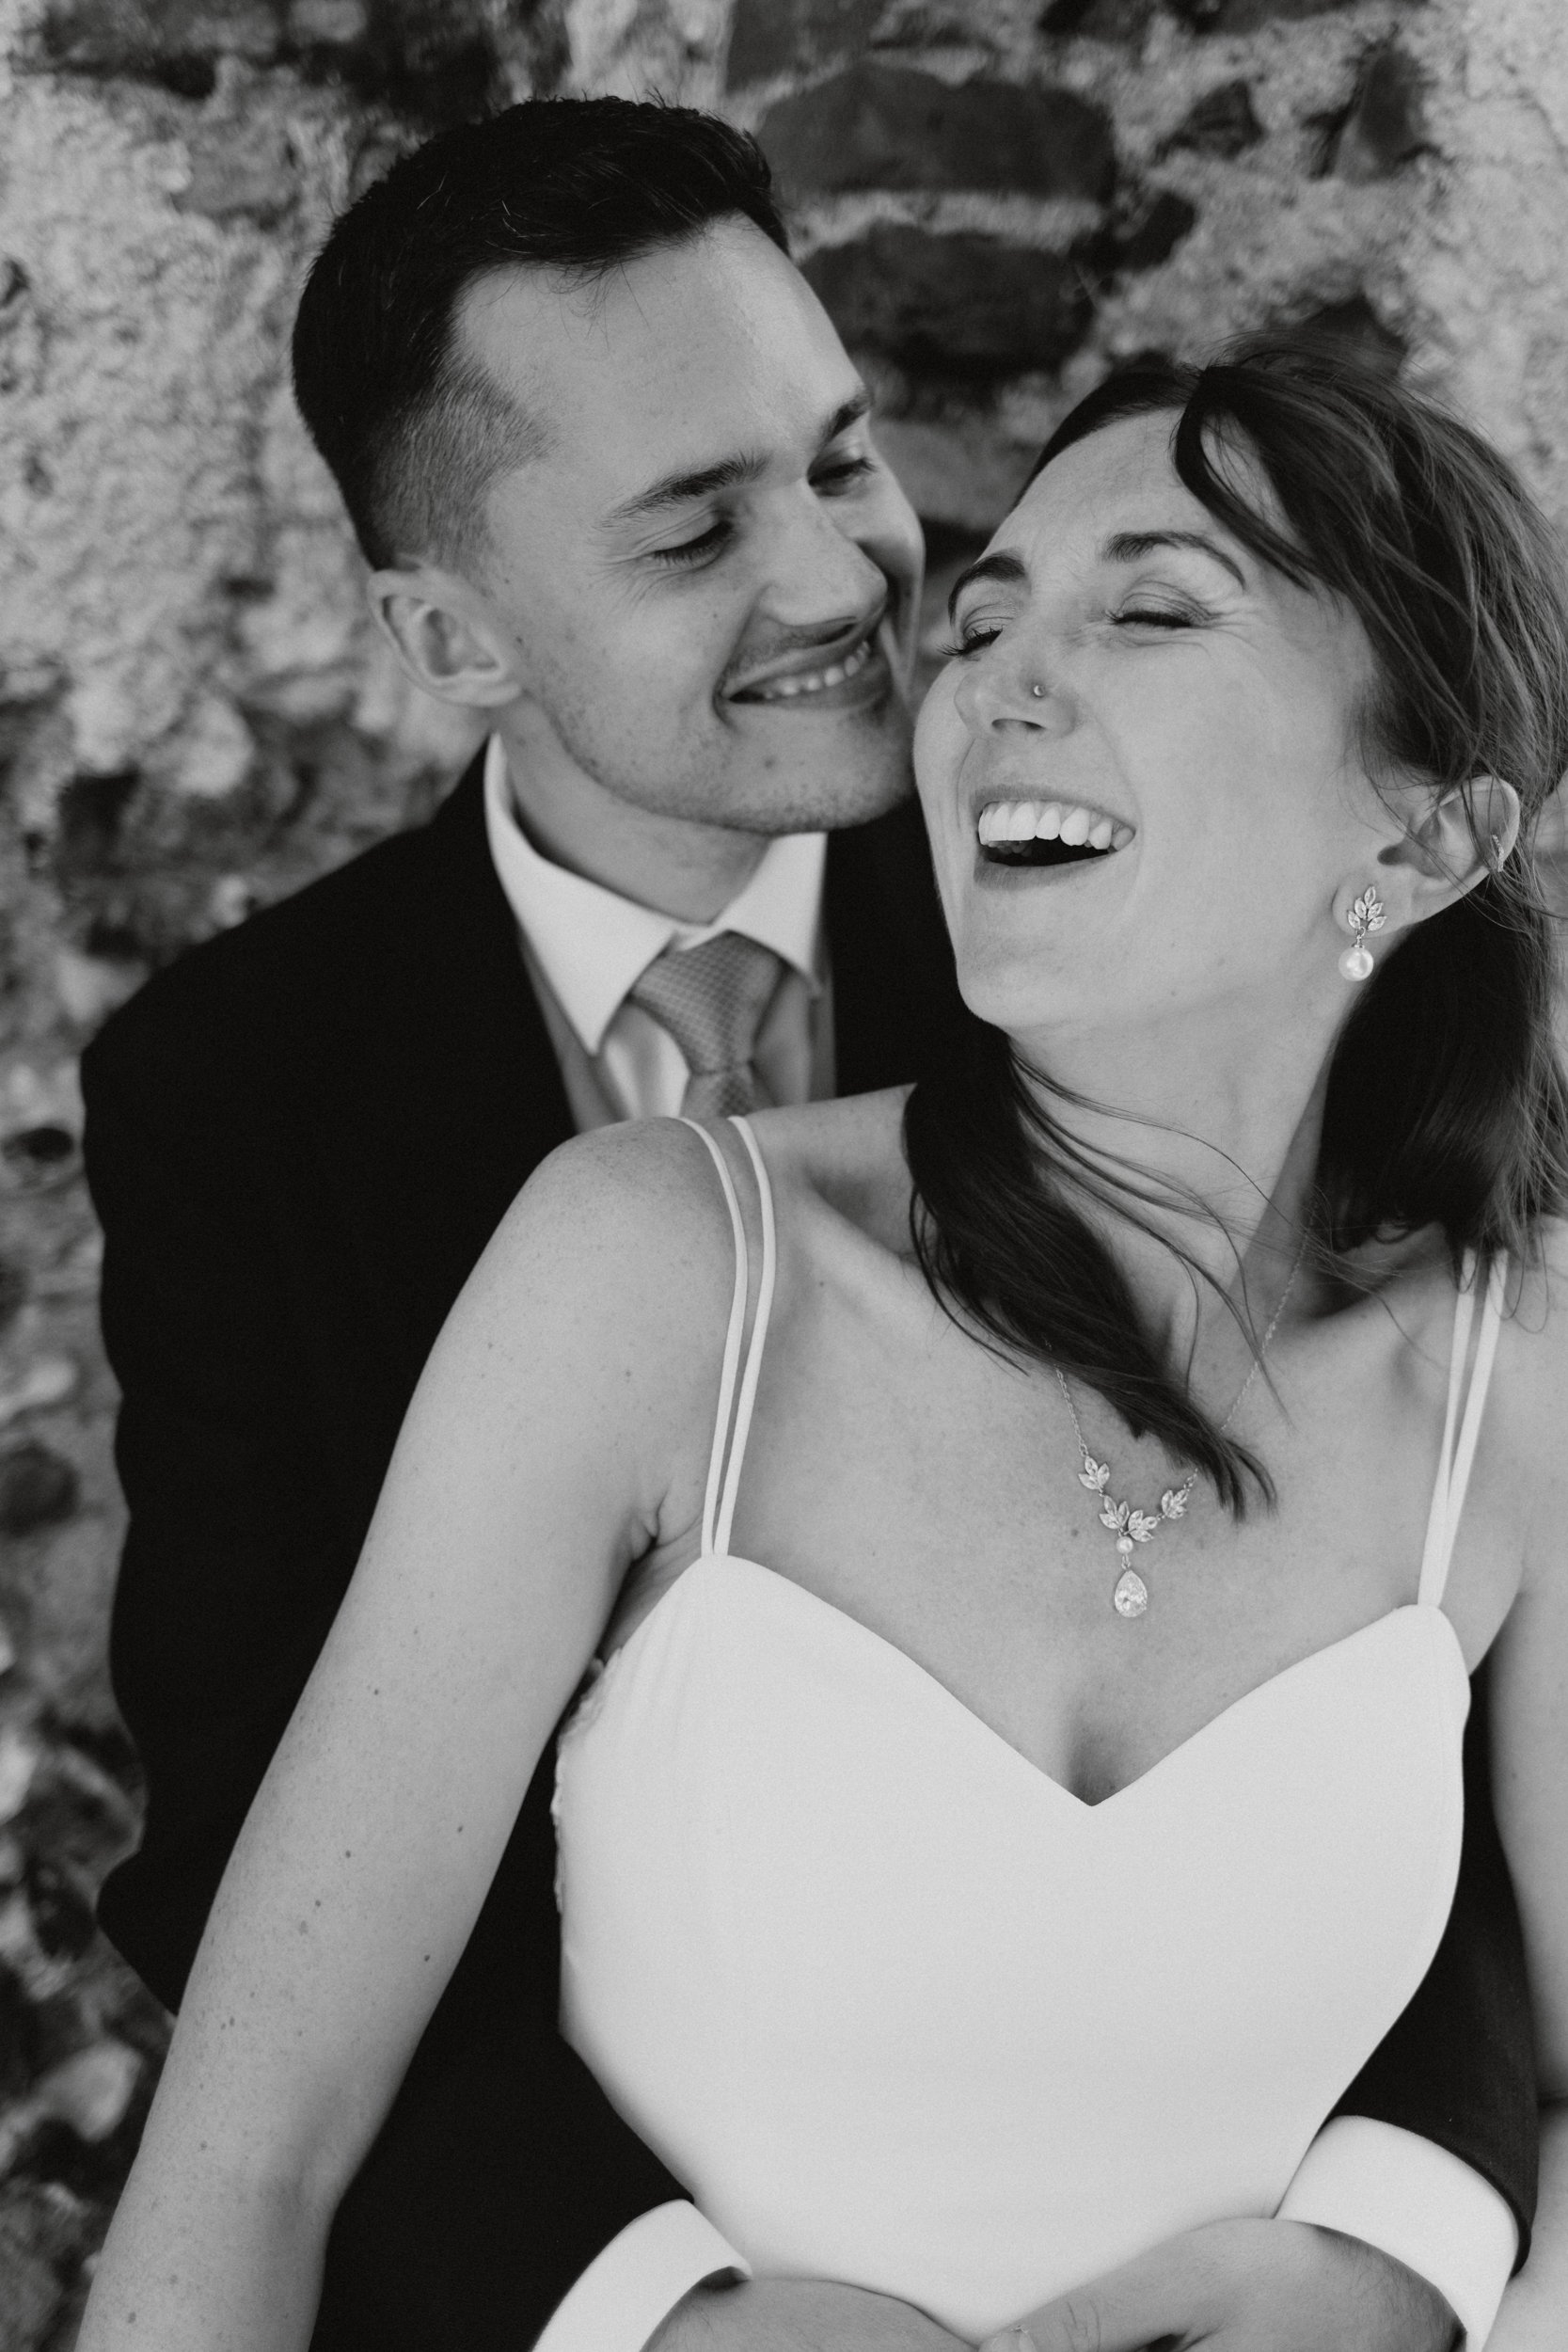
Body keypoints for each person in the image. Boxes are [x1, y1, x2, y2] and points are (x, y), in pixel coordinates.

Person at [77, 103, 1536, 2352]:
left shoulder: (1119, 906)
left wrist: (1398, 2243)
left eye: (844, 459)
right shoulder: (272, 1097)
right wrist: (654, 2302)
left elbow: (1388, 1787)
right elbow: (259, 1937)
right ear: (452, 632)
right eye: (693, 528)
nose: (859, 588)